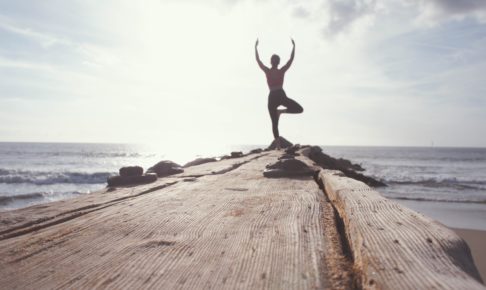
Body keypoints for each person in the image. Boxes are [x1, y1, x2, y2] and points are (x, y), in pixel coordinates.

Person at [255, 38, 303, 149]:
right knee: (298, 109)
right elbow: (291, 60)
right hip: (280, 95)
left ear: (271, 61)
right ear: (277, 62)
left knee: (274, 122)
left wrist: (255, 47)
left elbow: (258, 60)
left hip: (273, 96)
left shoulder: (268, 71)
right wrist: (294, 47)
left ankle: (278, 145)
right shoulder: (280, 71)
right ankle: (281, 112)